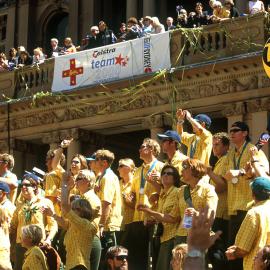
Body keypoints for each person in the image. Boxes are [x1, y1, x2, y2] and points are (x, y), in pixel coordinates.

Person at [224, 121, 269, 270]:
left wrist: (243, 172)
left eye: (236, 130)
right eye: (231, 130)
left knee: (244, 251)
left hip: (249, 207)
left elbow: (265, 176)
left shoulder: (254, 151)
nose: (232, 133)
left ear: (245, 133)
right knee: (234, 252)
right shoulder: (231, 153)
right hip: (234, 208)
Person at [43, 172, 97, 270]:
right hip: (72, 266)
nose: (71, 211)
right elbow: (64, 222)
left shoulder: (84, 224)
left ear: (83, 210)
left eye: (74, 208)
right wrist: (52, 214)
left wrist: (64, 184)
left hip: (79, 266)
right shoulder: (74, 224)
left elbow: (65, 207)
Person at [10, 173, 57, 270]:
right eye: (22, 185)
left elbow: (53, 225)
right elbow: (13, 226)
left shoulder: (45, 203)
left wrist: (49, 239)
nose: (23, 187)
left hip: (38, 245)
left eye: (27, 185)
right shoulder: (19, 205)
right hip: (21, 245)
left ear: (35, 187)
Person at [138, 165, 181, 270]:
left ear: (175, 178)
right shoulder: (162, 194)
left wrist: (149, 211)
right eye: (163, 173)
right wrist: (152, 220)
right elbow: (161, 216)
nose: (165, 175)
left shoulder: (177, 192)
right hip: (162, 237)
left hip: (172, 237)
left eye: (169, 173)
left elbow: (173, 218)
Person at [225, 177, 270, 270]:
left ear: (253, 194)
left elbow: (243, 249)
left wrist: (233, 253)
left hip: (255, 266)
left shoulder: (254, 213)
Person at [94, 149, 122, 269]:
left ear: (104, 163)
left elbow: (106, 203)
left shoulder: (108, 177)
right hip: (104, 225)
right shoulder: (102, 176)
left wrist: (101, 225)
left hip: (108, 226)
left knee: (110, 262)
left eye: (96, 160)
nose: (94, 162)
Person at [207, 132, 230, 270]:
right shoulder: (218, 162)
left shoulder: (226, 160)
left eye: (217, 145)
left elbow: (222, 186)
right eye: (213, 145)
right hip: (216, 213)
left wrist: (209, 173)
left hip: (222, 214)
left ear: (226, 146)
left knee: (218, 252)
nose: (214, 148)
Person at [75, 169, 102, 270]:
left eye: (79, 178)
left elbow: (82, 218)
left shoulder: (91, 198)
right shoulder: (83, 197)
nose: (76, 181)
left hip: (89, 240)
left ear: (89, 182)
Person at [117, 158, 135, 248]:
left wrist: (125, 199)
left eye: (120, 166)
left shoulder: (136, 183)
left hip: (131, 224)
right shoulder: (117, 183)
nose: (118, 169)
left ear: (129, 168)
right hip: (118, 224)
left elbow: (136, 206)